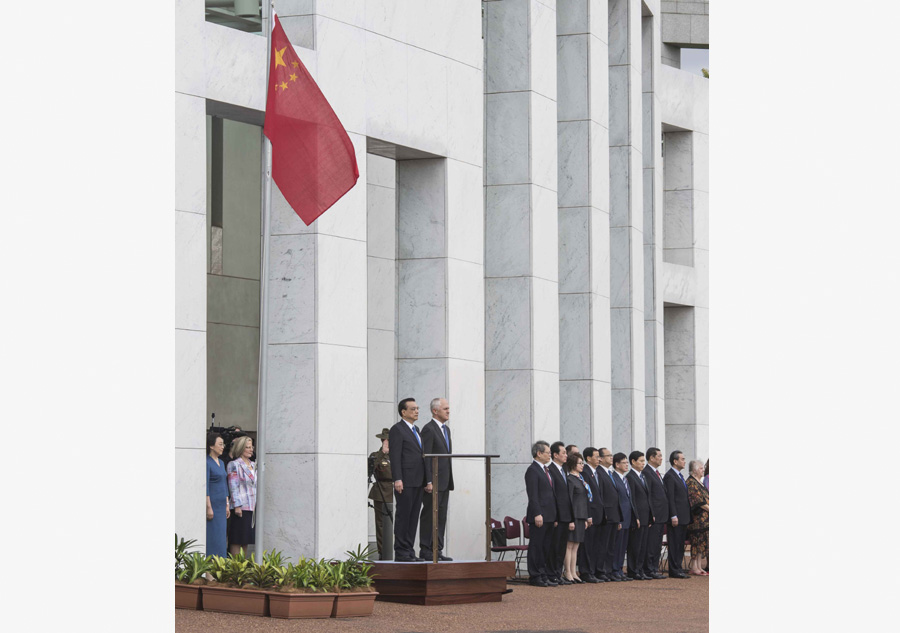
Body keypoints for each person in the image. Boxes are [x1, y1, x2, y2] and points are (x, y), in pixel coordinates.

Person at [389, 398, 428, 562]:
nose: (417, 411)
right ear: (403, 412)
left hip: (418, 480)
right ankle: (401, 551)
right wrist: (397, 478)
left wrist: (427, 480)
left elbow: (422, 456)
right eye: (413, 409)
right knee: (404, 516)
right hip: (404, 480)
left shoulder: (416, 429)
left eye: (417, 408)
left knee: (413, 517)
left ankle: (410, 550)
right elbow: (395, 456)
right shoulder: (397, 429)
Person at [419, 398, 454, 561]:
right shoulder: (428, 429)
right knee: (429, 515)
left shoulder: (446, 430)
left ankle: (437, 549)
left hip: (445, 481)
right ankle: (426, 549)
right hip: (433, 481)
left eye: (448, 408)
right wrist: (428, 481)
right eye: (445, 408)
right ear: (435, 411)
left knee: (441, 516)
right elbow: (426, 457)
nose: (448, 411)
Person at [524, 441, 558, 587]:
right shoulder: (532, 470)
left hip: (550, 515)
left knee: (546, 546)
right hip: (539, 515)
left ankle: (543, 573)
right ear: (539, 453)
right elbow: (533, 495)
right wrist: (537, 513)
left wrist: (555, 515)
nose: (550, 455)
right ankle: (535, 575)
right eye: (548, 453)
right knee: (537, 546)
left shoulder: (546, 470)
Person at [595, 447, 622, 581]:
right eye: (608, 455)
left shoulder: (610, 473)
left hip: (614, 514)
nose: (611, 457)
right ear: (600, 458)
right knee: (603, 545)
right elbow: (601, 495)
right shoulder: (599, 473)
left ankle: (609, 570)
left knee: (611, 545)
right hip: (606, 515)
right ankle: (601, 570)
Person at [226, 436, 257, 557]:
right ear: (241, 448)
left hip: (251, 507)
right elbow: (233, 486)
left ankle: (242, 566)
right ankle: (235, 567)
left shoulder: (254, 465)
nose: (250, 450)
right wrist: (237, 505)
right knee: (237, 538)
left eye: (251, 447)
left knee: (246, 539)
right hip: (240, 507)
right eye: (247, 447)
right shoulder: (234, 464)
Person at [664, 450, 692, 579]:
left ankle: (679, 567)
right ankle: (674, 569)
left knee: (680, 544)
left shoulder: (680, 476)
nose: (684, 461)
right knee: (674, 544)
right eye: (682, 459)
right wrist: (673, 515)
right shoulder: (670, 476)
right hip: (676, 517)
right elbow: (670, 497)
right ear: (675, 461)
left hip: (683, 516)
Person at [564, 453, 591, 583]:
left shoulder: (580, 479)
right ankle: (567, 571)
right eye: (580, 463)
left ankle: (574, 571)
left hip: (581, 516)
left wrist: (585, 518)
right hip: (574, 516)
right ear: (573, 464)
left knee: (576, 546)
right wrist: (571, 519)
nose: (582, 465)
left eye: (582, 463)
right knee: (569, 545)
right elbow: (568, 500)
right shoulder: (570, 479)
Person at [579, 447, 605, 583]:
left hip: (599, 515)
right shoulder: (585, 472)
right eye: (596, 456)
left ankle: (594, 570)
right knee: (588, 546)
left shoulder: (597, 473)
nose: (599, 459)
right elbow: (586, 496)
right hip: (591, 515)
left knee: (596, 545)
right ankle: (586, 571)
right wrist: (588, 515)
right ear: (588, 458)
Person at [625, 451, 652, 580]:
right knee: (635, 545)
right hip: (638, 517)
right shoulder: (630, 477)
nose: (643, 463)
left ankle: (640, 569)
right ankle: (633, 570)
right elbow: (633, 499)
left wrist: (651, 514)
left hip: (646, 516)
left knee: (643, 545)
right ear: (633, 462)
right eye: (640, 461)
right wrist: (636, 516)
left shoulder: (643, 476)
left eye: (643, 461)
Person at [642, 447, 669, 579]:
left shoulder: (657, 473)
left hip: (661, 515)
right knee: (651, 543)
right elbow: (649, 496)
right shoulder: (647, 472)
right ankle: (649, 569)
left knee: (657, 543)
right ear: (651, 458)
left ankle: (654, 567)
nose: (661, 458)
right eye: (659, 456)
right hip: (654, 515)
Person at [548, 442, 572, 584]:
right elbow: (554, 495)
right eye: (563, 453)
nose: (566, 455)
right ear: (555, 455)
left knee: (562, 547)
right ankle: (551, 574)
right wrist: (556, 515)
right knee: (554, 546)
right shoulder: (550, 470)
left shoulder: (564, 470)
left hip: (566, 515)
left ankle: (558, 573)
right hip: (557, 515)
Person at [368, 428, 394, 560]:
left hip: (395, 490)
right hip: (381, 490)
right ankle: (382, 551)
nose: (387, 442)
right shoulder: (375, 455)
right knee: (381, 523)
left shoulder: (397, 454)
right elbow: (372, 468)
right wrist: (382, 453)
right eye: (385, 440)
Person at [611, 452, 636, 581]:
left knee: (623, 545)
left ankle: (620, 569)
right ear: (617, 464)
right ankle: (614, 569)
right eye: (624, 463)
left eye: (627, 462)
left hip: (628, 517)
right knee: (617, 545)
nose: (627, 465)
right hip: (620, 517)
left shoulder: (624, 478)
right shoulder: (613, 478)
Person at [205, 433, 230, 558]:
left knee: (221, 537)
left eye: (223, 444)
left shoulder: (221, 462)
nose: (223, 447)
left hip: (221, 506)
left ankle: (220, 570)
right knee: (213, 537)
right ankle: (209, 572)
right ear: (211, 446)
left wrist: (227, 504)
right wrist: (208, 507)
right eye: (220, 444)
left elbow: (224, 484)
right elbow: (206, 487)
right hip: (213, 505)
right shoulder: (207, 462)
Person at [686, 459, 710, 576]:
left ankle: (699, 566)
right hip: (697, 520)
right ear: (694, 470)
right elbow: (698, 501)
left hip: (705, 520)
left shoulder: (699, 482)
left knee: (702, 544)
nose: (703, 470)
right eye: (701, 468)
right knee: (696, 543)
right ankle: (694, 567)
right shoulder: (691, 482)